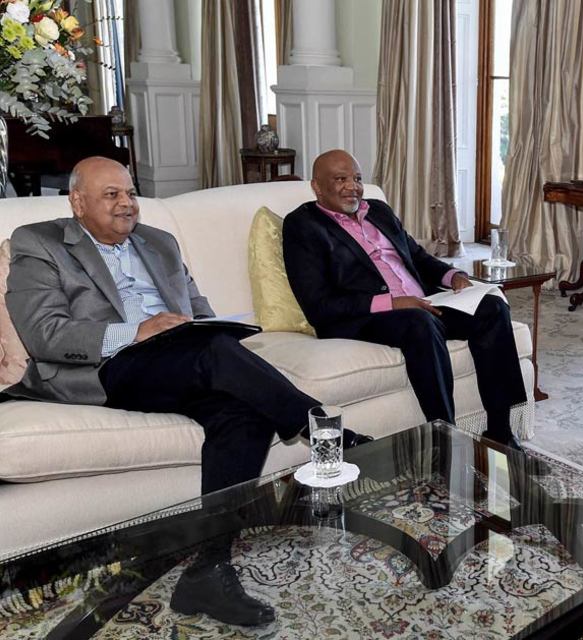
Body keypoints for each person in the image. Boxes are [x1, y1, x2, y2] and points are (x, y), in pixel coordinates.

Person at [4, 157, 371, 627]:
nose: (126, 204)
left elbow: (199, 309)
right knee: (215, 351)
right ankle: (325, 430)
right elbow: (44, 334)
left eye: (130, 193)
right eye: (111, 195)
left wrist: (204, 327)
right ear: (77, 201)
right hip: (109, 366)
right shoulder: (40, 242)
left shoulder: (160, 242)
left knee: (245, 413)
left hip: (182, 359)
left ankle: (208, 571)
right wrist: (137, 331)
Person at [282, 149, 536, 462]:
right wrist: (393, 302)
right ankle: (445, 438)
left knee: (492, 307)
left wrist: (452, 275)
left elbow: (416, 256)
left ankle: (500, 433)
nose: (353, 187)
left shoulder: (378, 210)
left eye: (358, 179)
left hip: (425, 302)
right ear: (317, 187)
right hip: (365, 316)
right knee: (419, 323)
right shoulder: (302, 226)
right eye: (341, 179)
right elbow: (317, 303)